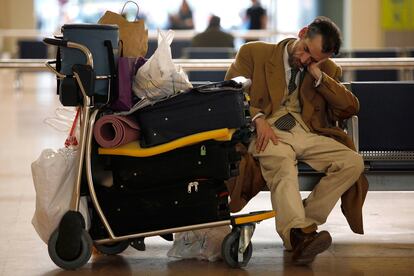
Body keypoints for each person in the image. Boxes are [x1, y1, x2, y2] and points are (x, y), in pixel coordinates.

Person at [225, 16, 368, 265]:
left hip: (306, 132)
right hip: (266, 130)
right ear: (302, 33)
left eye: (313, 59)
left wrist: (319, 76)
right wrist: (258, 118)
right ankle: (298, 235)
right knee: (281, 164)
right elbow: (229, 93)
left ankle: (301, 223)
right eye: (305, 51)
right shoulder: (254, 53)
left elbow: (350, 108)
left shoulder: (326, 70)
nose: (304, 60)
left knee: (353, 162)